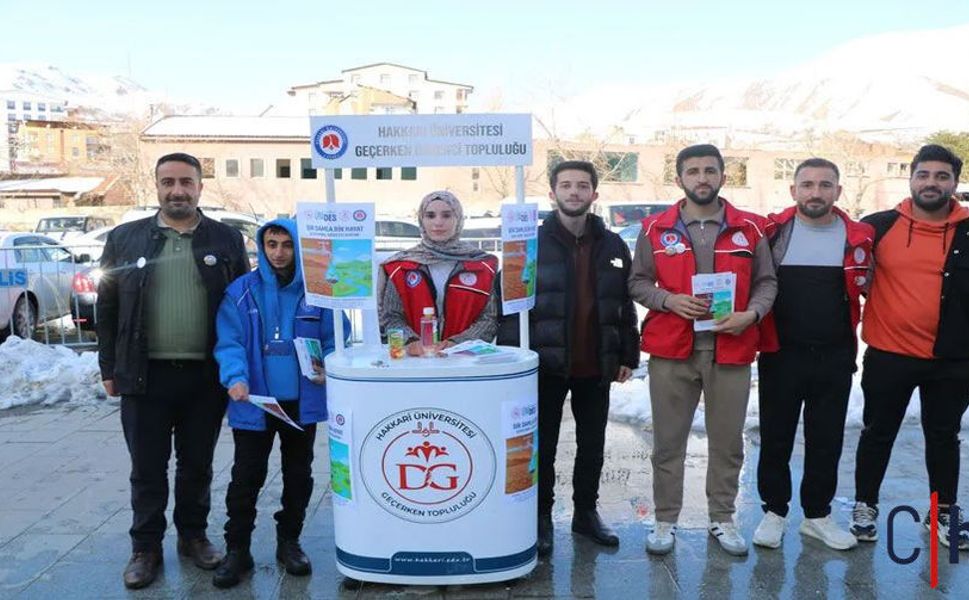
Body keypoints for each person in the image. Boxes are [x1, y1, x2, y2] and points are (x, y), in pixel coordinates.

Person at [97, 152, 250, 589]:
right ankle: (145, 548)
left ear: (201, 187)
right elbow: (106, 308)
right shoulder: (125, 238)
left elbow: (243, 307)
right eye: (168, 182)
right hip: (144, 375)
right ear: (157, 186)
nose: (177, 190)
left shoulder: (226, 240)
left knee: (196, 465)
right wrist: (108, 364)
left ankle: (193, 536)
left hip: (204, 377)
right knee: (147, 467)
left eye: (186, 181)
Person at [628, 144, 777, 557]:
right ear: (679, 180)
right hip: (672, 351)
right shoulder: (655, 228)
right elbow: (638, 282)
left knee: (727, 441)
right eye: (693, 171)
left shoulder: (750, 228)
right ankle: (665, 519)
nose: (702, 178)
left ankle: (722, 516)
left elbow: (768, 282)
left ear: (723, 177)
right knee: (668, 441)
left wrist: (751, 314)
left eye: (710, 170)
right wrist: (667, 301)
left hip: (731, 349)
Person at [497, 160, 640, 557]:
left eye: (582, 186)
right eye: (566, 185)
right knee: (542, 444)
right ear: (553, 193)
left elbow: (623, 303)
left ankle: (585, 513)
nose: (574, 192)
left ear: (594, 193)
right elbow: (508, 305)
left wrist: (629, 351)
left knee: (592, 444)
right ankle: (541, 517)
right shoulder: (527, 242)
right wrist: (513, 360)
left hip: (595, 362)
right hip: (545, 364)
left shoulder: (612, 244)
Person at [211, 219, 349, 588]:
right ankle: (237, 549)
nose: (278, 252)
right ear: (261, 246)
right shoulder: (241, 292)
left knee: (299, 474)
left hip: (301, 405)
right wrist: (235, 376)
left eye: (287, 244)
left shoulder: (319, 292)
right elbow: (230, 341)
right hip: (255, 403)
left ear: (298, 248)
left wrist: (330, 366)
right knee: (245, 477)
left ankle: (289, 541)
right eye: (271, 244)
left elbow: (336, 339)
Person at [850, 144, 969, 550]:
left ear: (954, 182)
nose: (932, 183)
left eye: (941, 176)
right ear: (911, 177)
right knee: (877, 434)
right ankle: (865, 506)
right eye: (924, 175)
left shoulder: (968, 229)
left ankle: (944, 513)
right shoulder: (878, 226)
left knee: (944, 437)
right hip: (889, 354)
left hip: (952, 359)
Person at [752, 158, 872, 551]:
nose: (815, 192)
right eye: (807, 185)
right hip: (781, 353)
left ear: (838, 191)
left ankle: (817, 515)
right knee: (775, 435)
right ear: (793, 191)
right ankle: (774, 512)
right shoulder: (773, 232)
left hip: (835, 355)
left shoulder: (858, 236)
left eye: (824, 185)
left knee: (826, 439)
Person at [379, 190, 498, 352]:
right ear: (421, 220)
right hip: (415, 363)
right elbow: (390, 317)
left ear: (458, 219)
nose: (438, 222)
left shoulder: (482, 265)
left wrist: (457, 343)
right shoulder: (400, 267)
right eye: (430, 215)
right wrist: (411, 342)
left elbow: (489, 318)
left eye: (447, 215)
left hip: (465, 361)